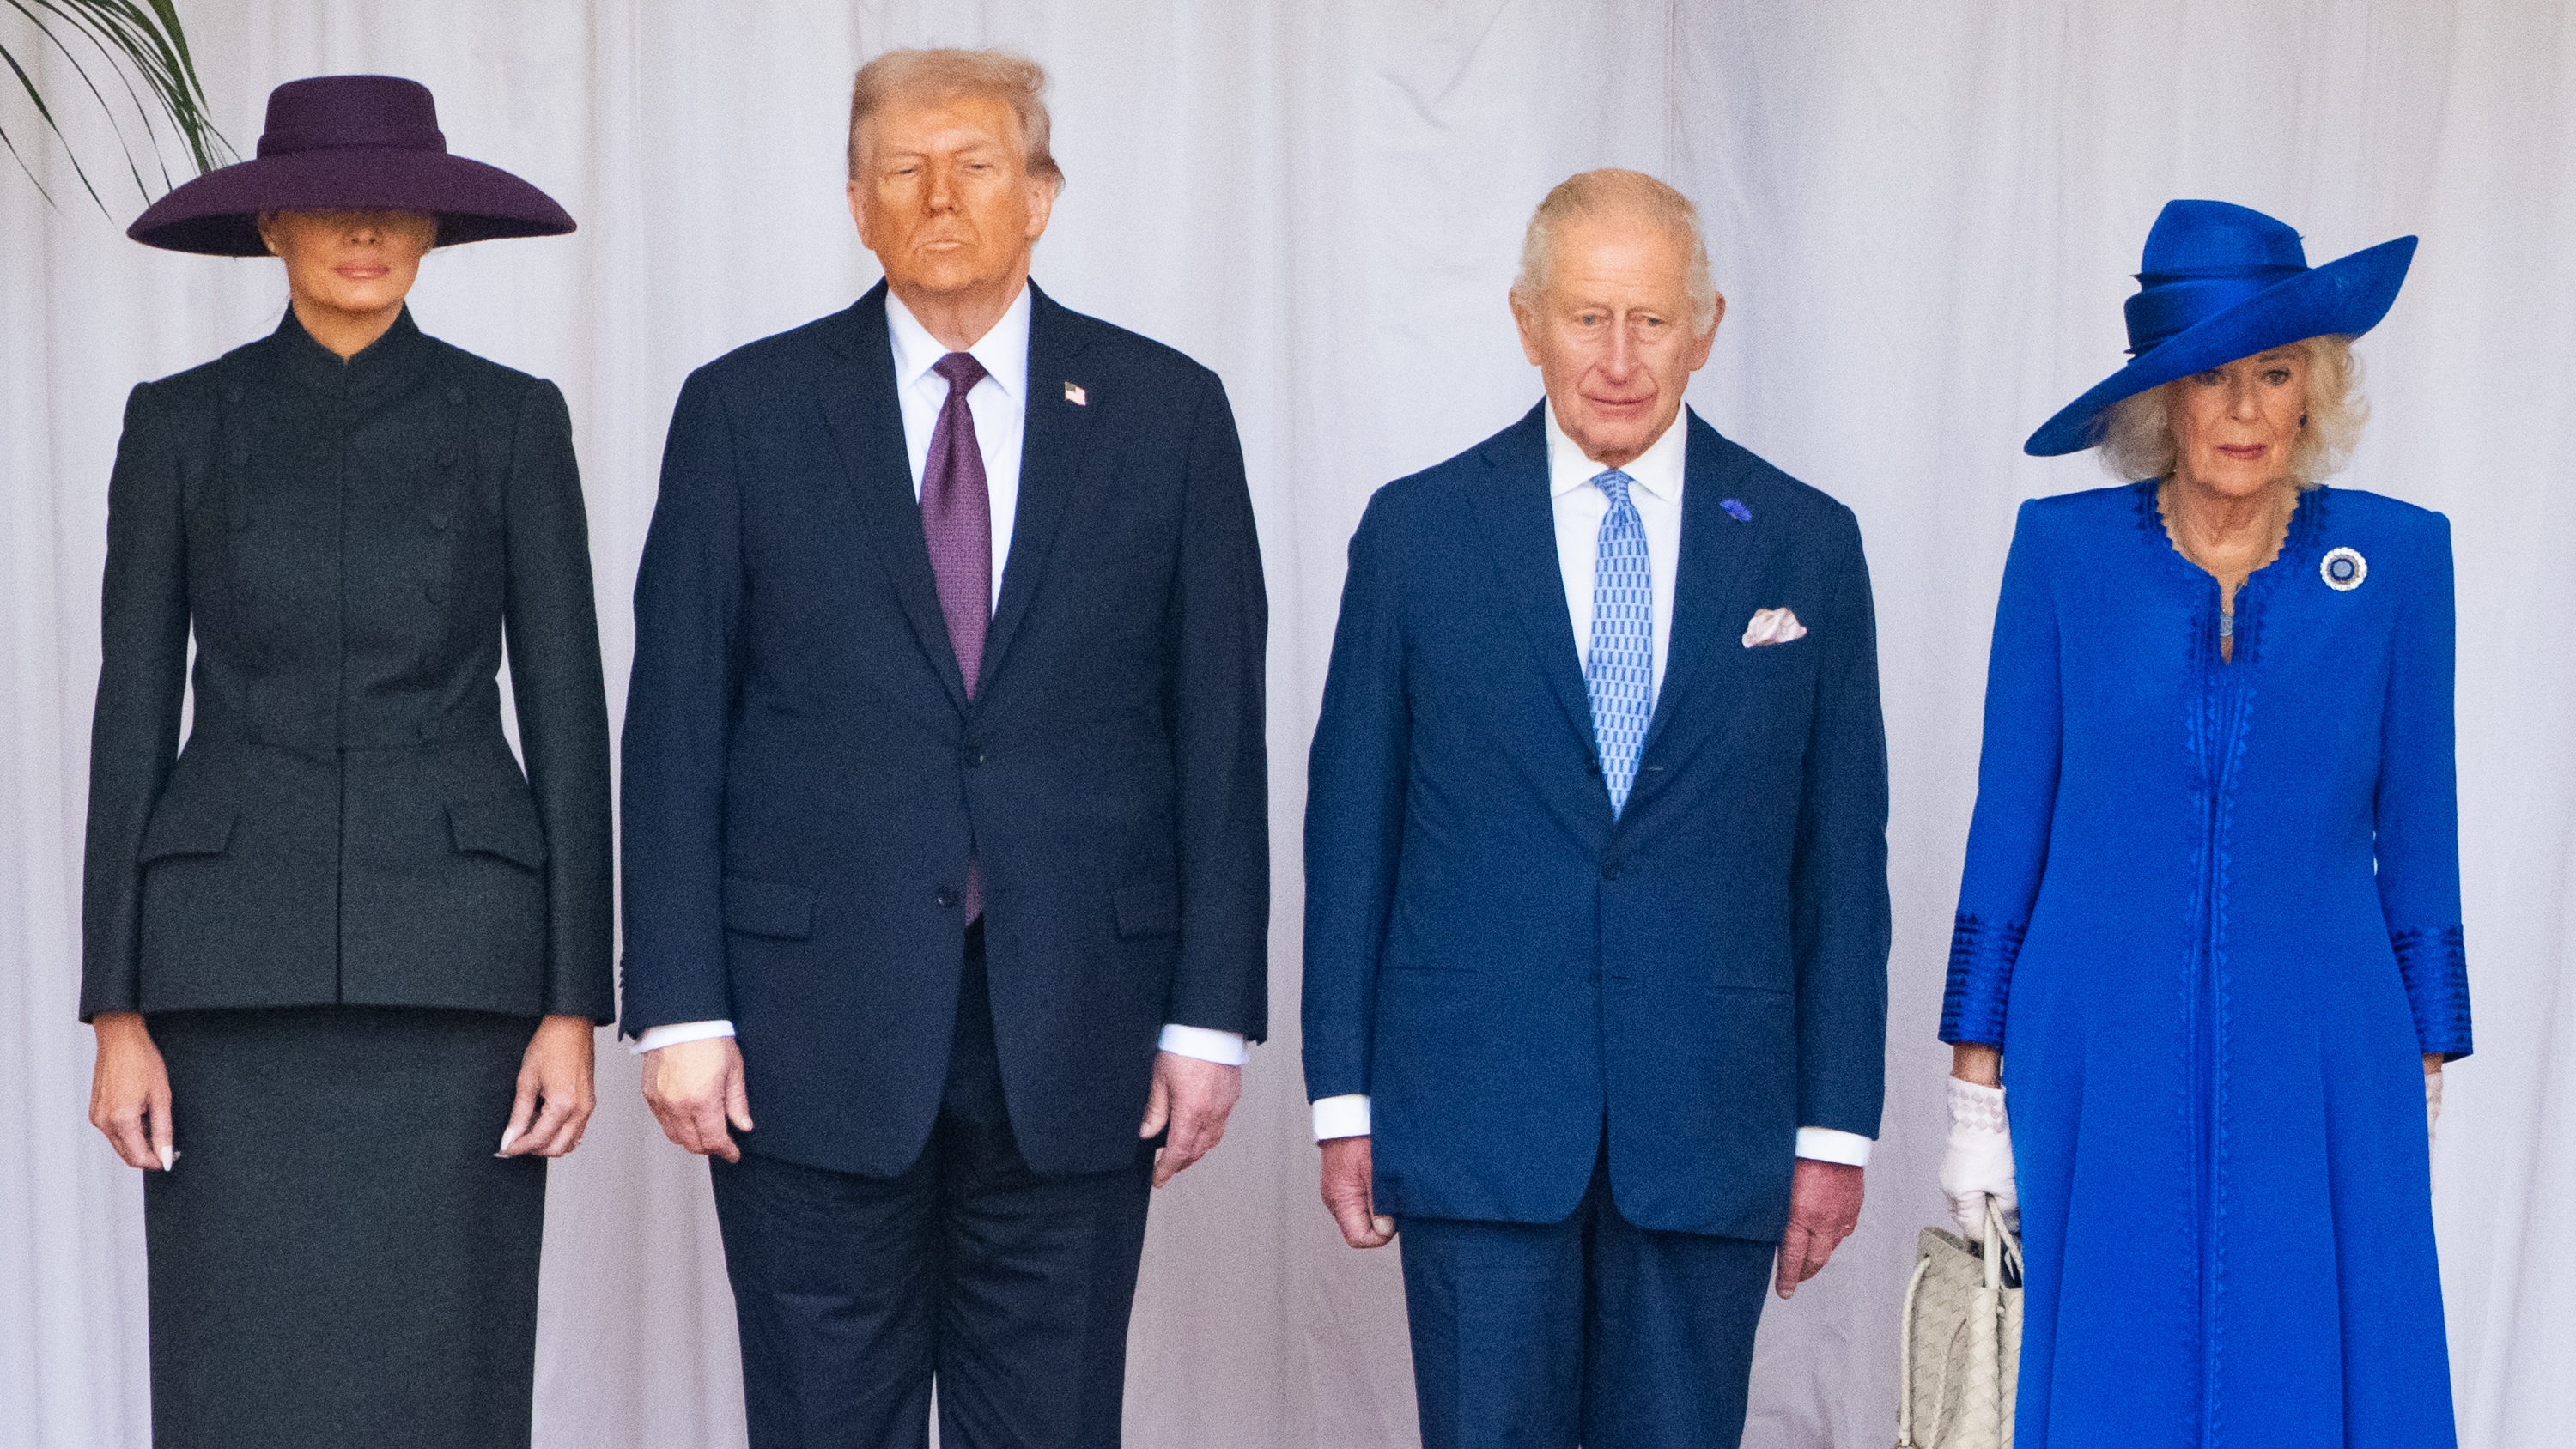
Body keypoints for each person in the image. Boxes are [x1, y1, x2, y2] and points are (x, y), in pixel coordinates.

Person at [619, 47, 1269, 1449]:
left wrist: (1211, 1014)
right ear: (854, 202)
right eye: (902, 168)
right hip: (805, 1033)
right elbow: (674, 726)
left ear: (1040, 196)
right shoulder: (744, 413)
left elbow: (1219, 731)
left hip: (1080, 1027)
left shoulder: (1168, 413)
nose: (939, 196)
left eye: (977, 164)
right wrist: (678, 1008)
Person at [1301, 169, 1890, 1448]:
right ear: (1527, 322)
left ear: (1708, 326)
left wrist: (1835, 1126)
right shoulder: (1416, 535)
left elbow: (1842, 863)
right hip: (1473, 1115)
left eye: (1651, 321)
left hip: (1711, 1118)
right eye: (1586, 318)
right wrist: (1342, 1101)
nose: (1619, 360)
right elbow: (1350, 834)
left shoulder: (1805, 543)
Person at [83, 75, 610, 1449]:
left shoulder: (512, 420)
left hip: (458, 978)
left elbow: (568, 714)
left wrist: (575, 1001)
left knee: (449, 1377)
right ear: (270, 229)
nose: (364, 228)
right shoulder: (179, 423)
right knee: (234, 1379)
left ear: (434, 228)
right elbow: (130, 715)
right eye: (326, 202)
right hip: (225, 983)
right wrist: (114, 1011)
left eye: (394, 204)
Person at [1937, 198, 2464, 1446]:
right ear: (2159, 401)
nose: (2241, 411)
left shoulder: (2398, 561)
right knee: (2118, 1376)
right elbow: (2007, 828)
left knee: (2319, 1378)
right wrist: (1974, 1097)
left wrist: (2423, 1074)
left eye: (2272, 374)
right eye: (2209, 378)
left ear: (2312, 391)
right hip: (2095, 1044)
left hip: (2331, 1053)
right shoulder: (2061, 555)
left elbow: (2424, 836)